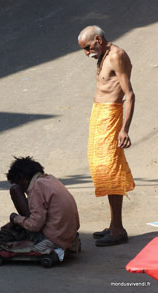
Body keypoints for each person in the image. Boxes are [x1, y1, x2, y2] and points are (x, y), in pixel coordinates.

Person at [78, 25, 135, 246]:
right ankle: (113, 225)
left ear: (99, 40)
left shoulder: (117, 56)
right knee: (101, 169)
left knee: (111, 170)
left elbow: (129, 95)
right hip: (99, 116)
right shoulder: (102, 55)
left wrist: (124, 129)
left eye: (87, 47)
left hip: (111, 117)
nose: (86, 53)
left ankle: (118, 229)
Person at [0, 156, 80, 254]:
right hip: (68, 234)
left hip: (54, 238)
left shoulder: (36, 187)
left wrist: (15, 218)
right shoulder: (50, 179)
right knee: (15, 227)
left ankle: (27, 243)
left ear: (24, 180)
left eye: (18, 183)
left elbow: (35, 225)